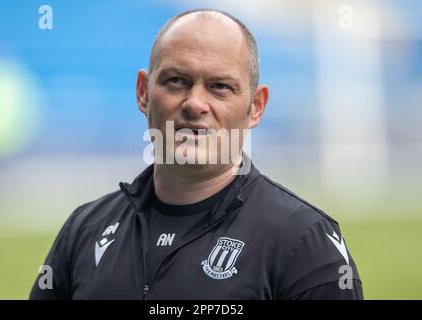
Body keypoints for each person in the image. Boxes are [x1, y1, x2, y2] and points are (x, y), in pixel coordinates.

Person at [30, 8, 363, 300]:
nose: (195, 104)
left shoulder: (303, 243)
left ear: (256, 107)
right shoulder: (84, 230)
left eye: (220, 86)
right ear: (143, 93)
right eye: (176, 81)